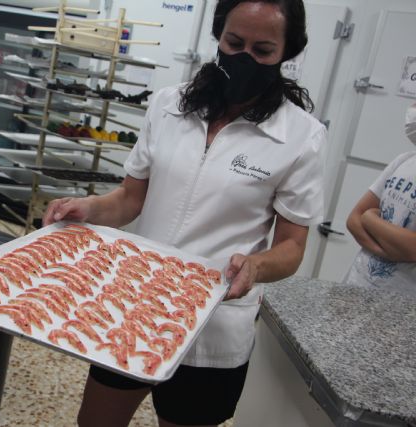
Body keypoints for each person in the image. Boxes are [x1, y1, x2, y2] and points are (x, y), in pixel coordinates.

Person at [43, 0, 326, 425]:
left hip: (214, 328)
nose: (245, 58)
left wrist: (256, 266)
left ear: (287, 53)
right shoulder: (168, 106)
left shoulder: (300, 137)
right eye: (234, 42)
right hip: (133, 308)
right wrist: (88, 207)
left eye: (262, 50)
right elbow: (129, 199)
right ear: (217, 36)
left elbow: (291, 246)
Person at [344, 103, 416, 293]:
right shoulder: (404, 160)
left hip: (400, 306)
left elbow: (413, 247)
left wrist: (370, 219)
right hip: (356, 285)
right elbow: (354, 219)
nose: (412, 108)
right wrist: (389, 251)